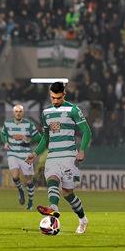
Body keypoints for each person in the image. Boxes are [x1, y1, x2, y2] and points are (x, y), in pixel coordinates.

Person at [26, 81, 92, 234]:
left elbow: (87, 131)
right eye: (52, 98)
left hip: (69, 155)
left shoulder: (73, 110)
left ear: (64, 94)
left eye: (58, 98)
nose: (55, 101)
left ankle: (82, 219)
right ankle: (53, 209)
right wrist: (35, 153)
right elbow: (46, 138)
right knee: (52, 179)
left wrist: (82, 150)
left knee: (68, 193)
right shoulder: (46, 112)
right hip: (53, 155)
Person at [0, 104, 41, 210]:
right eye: (16, 111)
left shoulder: (29, 124)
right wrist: (5, 142)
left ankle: (30, 202)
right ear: (13, 113)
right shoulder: (7, 123)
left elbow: (39, 137)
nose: (18, 113)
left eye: (20, 111)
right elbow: (3, 134)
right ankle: (21, 191)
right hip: (12, 152)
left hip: (25, 154)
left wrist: (27, 138)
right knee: (14, 176)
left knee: (28, 181)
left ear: (23, 113)